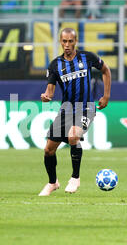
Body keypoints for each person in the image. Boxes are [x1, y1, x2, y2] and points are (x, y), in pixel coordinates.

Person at [38, 28, 111, 196]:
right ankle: (52, 183)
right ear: (60, 42)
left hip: (86, 107)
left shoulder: (87, 57)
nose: (67, 45)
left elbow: (106, 70)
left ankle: (75, 178)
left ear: (75, 41)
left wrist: (106, 96)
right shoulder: (55, 65)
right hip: (66, 109)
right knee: (49, 149)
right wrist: (45, 97)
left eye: (70, 41)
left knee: (73, 136)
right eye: (64, 41)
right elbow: (49, 92)